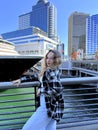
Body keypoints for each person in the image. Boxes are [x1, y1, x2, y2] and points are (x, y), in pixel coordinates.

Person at [13, 49, 64, 130]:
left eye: (51, 58)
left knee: (27, 128)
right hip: (53, 105)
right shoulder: (53, 70)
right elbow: (38, 76)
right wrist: (22, 80)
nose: (48, 60)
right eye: (47, 57)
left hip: (47, 106)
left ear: (56, 60)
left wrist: (42, 90)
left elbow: (58, 90)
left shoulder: (50, 71)